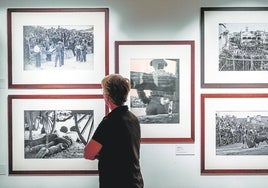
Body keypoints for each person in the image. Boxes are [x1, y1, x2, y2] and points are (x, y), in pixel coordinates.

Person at [84, 74, 144, 188]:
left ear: (107, 97)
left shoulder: (110, 121)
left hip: (116, 183)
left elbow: (88, 153)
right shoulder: (133, 118)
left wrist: (100, 154)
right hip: (135, 182)